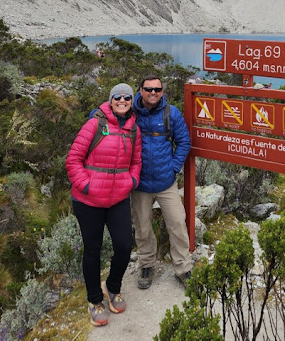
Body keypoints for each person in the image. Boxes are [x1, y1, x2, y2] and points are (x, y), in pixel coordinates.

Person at [66, 83, 141, 327]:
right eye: (117, 97)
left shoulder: (133, 129)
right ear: (110, 100)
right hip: (88, 200)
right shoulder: (95, 124)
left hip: (117, 197)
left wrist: (131, 181)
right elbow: (73, 159)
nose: (122, 100)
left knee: (124, 246)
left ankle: (113, 286)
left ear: (131, 101)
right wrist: (87, 186)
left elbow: (136, 161)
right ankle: (95, 300)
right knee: (92, 250)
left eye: (126, 97)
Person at [132, 75, 193, 290]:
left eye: (157, 89)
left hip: (166, 182)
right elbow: (108, 118)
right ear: (140, 90)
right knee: (142, 227)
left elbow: (184, 141)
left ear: (162, 92)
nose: (153, 93)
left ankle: (183, 268)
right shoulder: (131, 112)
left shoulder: (171, 113)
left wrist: (173, 167)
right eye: (148, 89)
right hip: (140, 185)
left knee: (177, 224)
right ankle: (146, 265)